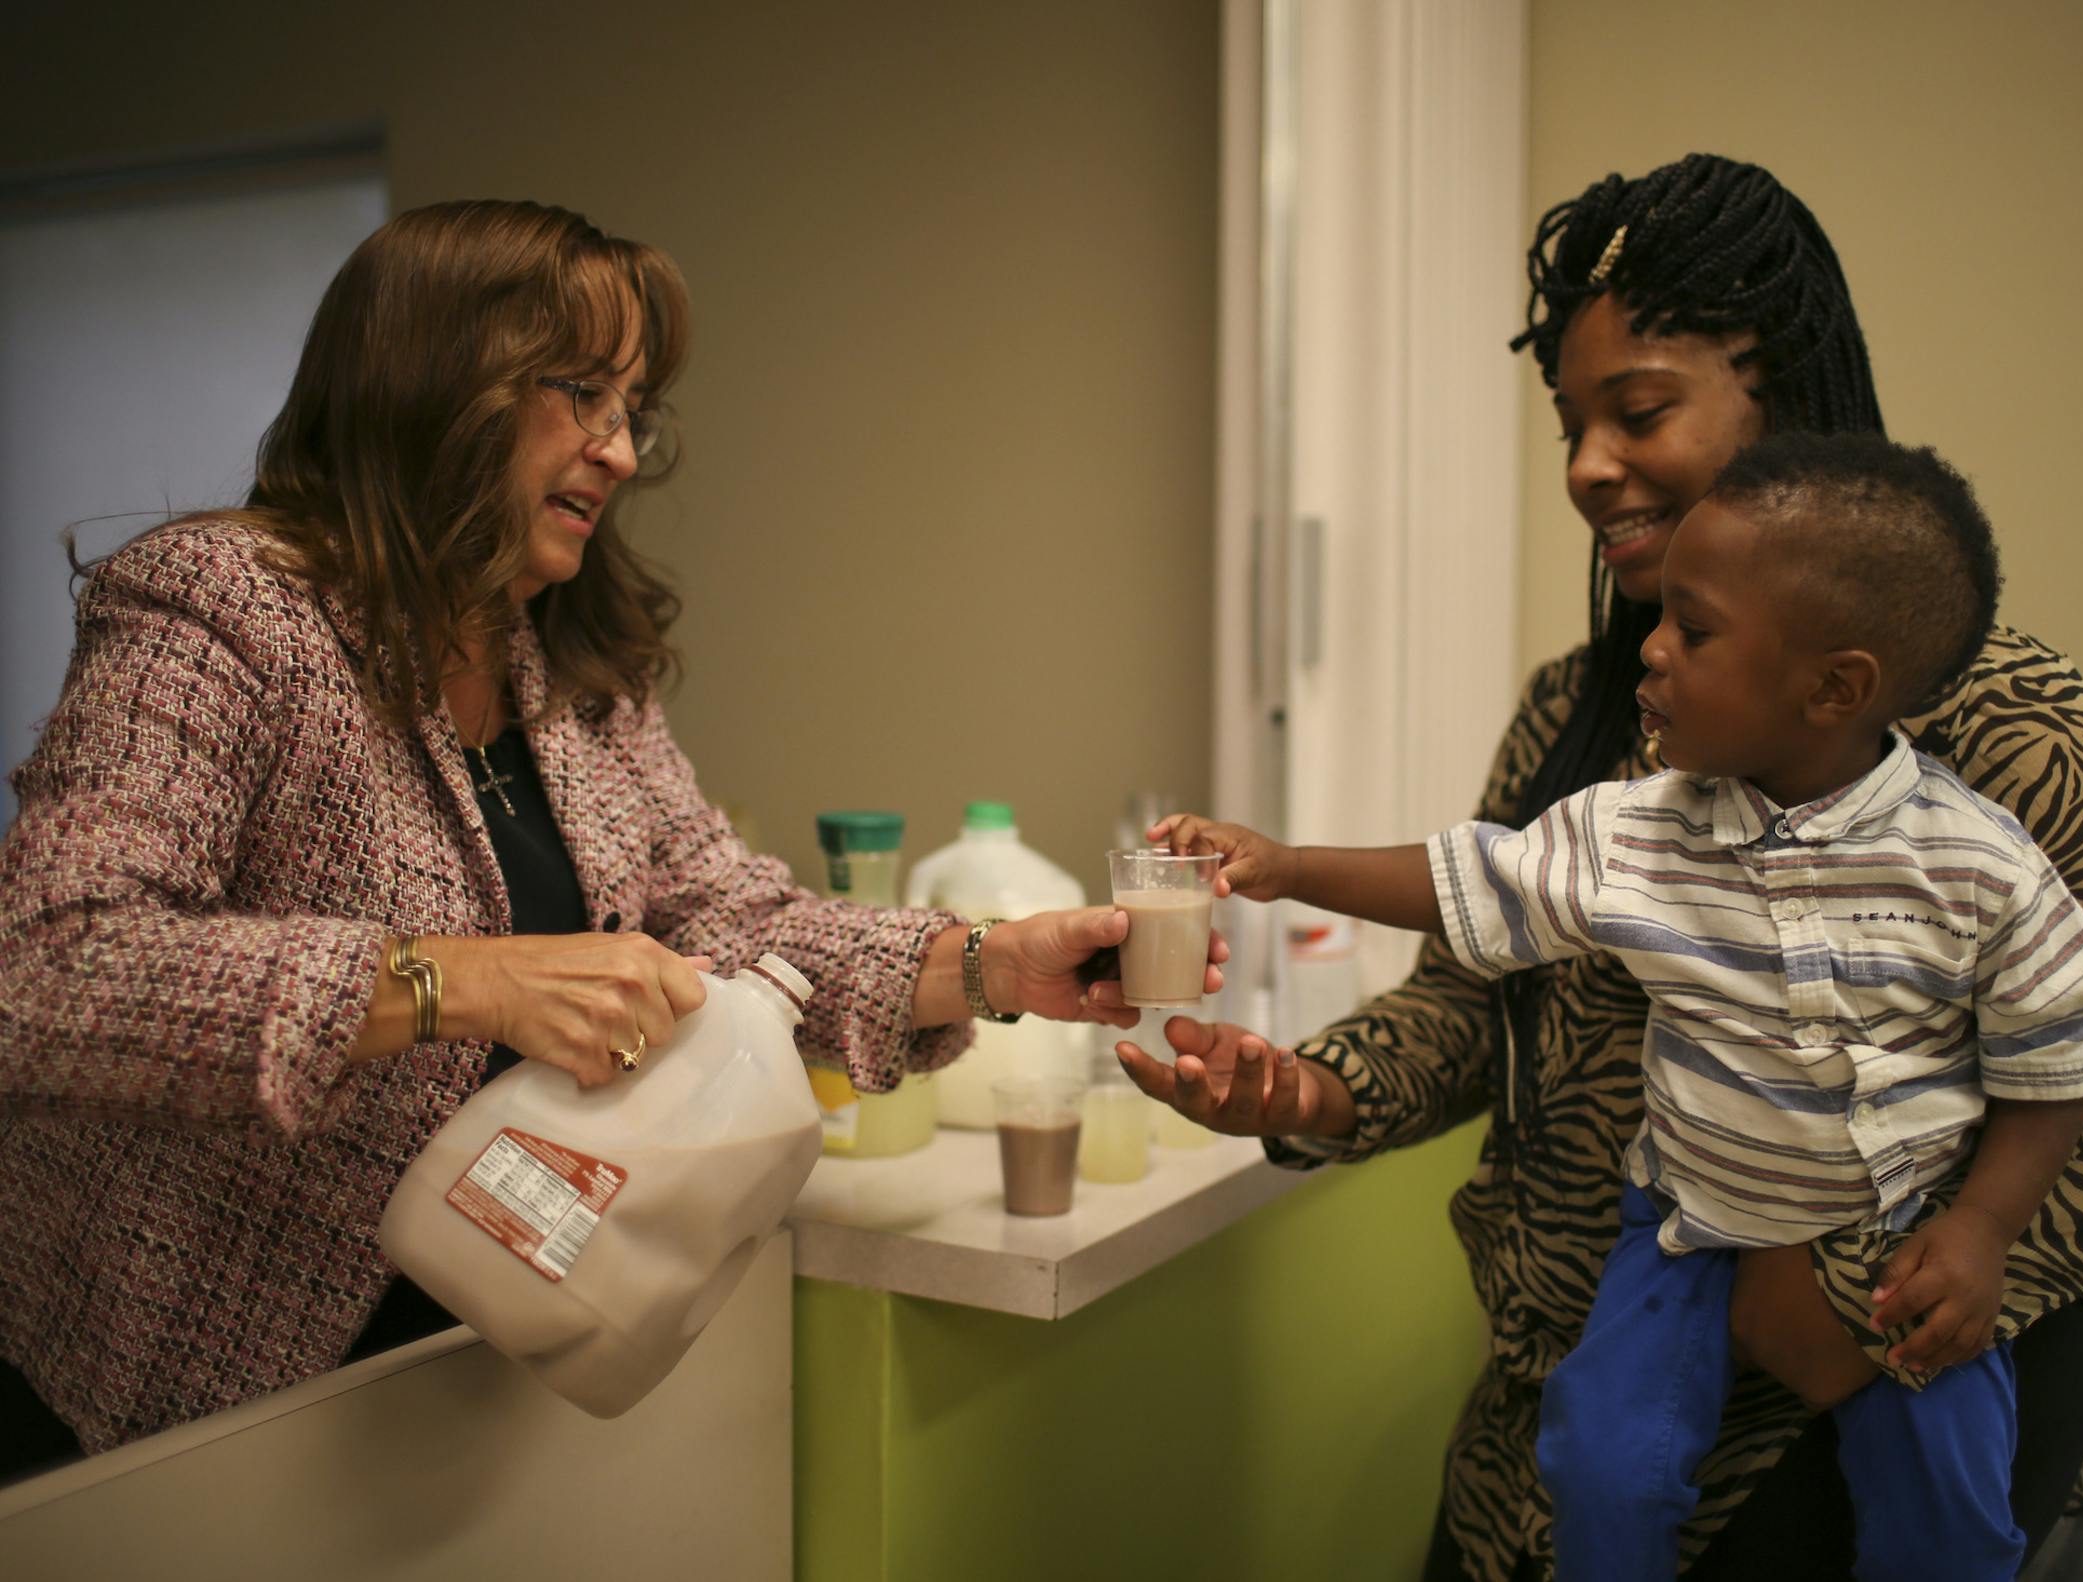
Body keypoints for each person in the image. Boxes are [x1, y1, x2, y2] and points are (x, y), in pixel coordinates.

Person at [0, 199, 1217, 1477]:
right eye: (580, 393)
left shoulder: (568, 668)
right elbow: (47, 974)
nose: (622, 450)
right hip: (175, 1405)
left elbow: (735, 920)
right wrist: (453, 979)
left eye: (632, 406)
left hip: (465, 1373)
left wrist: (991, 962)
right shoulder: (228, 608)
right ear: (436, 386)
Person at [1115, 154, 2083, 1580]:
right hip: (1560, 1438)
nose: (1587, 464)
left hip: (1837, 1431)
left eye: (1640, 408)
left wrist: (1846, 1301)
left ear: (1781, 394)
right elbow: (1476, 991)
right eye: (1569, 421)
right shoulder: (1582, 711)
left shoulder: (2004, 739)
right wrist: (1321, 1086)